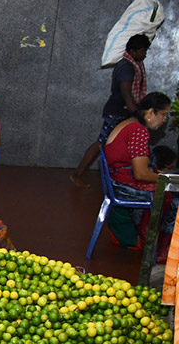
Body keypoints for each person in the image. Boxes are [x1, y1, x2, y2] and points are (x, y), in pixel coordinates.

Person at [72, 33, 151, 187]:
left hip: (123, 112)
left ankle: (117, 177)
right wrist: (137, 113)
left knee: (112, 144)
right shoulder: (126, 67)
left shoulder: (132, 64)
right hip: (118, 112)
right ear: (132, 51)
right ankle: (77, 174)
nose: (144, 54)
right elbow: (126, 94)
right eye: (141, 51)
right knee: (101, 143)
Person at [102, 92, 173, 245]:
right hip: (123, 186)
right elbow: (141, 174)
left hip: (116, 181)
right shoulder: (138, 130)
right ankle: (155, 244)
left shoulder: (130, 122)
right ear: (151, 112)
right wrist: (169, 179)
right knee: (171, 196)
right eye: (163, 115)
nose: (165, 120)